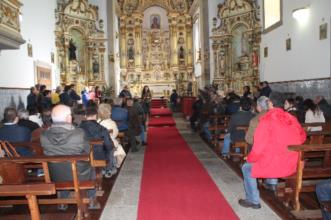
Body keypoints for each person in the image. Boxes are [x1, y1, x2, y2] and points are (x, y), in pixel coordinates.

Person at [238, 92, 306, 209]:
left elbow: (258, 147)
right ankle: (271, 183)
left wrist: (249, 158)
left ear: (270, 103)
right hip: (292, 164)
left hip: (275, 164)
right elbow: (302, 137)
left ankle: (253, 200)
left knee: (246, 168)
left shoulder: (266, 121)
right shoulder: (292, 118)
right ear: (284, 104)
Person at [40, 104, 100, 210]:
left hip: (55, 175)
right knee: (90, 167)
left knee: (62, 168)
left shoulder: (44, 135)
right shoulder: (79, 133)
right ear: (68, 118)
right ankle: (91, 200)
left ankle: (62, 202)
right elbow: (87, 150)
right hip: (80, 175)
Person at [79, 101, 117, 178]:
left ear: (85, 116)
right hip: (99, 156)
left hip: (82, 156)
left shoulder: (78, 128)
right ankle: (108, 169)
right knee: (111, 147)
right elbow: (108, 146)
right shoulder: (102, 129)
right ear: (96, 116)